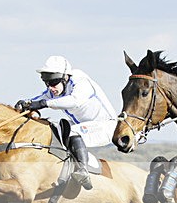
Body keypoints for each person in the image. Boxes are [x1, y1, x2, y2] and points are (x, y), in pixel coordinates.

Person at [15, 55, 117, 190]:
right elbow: (38, 100)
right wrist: (25, 104)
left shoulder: (81, 82)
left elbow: (74, 100)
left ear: (65, 78)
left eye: (53, 83)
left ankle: (83, 171)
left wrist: (43, 104)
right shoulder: (56, 88)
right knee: (55, 127)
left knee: (72, 131)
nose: (50, 87)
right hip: (84, 125)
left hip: (105, 126)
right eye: (47, 83)